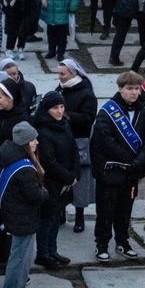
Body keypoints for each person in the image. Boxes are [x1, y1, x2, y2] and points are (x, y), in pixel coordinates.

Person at [91, 72, 145, 261]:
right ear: (120, 89)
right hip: (110, 171)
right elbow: (104, 140)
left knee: (125, 211)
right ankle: (102, 244)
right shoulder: (107, 112)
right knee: (105, 211)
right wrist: (128, 158)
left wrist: (138, 162)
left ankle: (123, 242)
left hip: (131, 172)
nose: (134, 92)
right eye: (129, 88)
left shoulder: (144, 112)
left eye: (137, 89)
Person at [0, 121, 48, 288]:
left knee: (18, 256)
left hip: (14, 215)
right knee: (20, 259)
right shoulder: (25, 169)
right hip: (23, 218)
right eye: (33, 140)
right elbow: (36, 195)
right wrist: (45, 192)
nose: (37, 142)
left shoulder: (10, 159)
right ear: (26, 142)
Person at [32, 91, 77, 269]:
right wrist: (68, 177)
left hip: (65, 182)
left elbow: (73, 149)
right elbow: (49, 161)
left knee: (56, 217)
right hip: (51, 182)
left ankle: (53, 250)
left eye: (61, 106)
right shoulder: (43, 131)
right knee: (47, 219)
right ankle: (43, 254)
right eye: (55, 108)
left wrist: (75, 174)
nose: (59, 111)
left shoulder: (64, 124)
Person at [58, 59, 98, 234]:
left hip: (79, 142)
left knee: (80, 181)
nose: (59, 76)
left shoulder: (86, 93)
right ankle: (61, 211)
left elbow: (88, 118)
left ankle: (79, 216)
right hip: (61, 140)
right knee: (60, 177)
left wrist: (67, 116)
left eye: (63, 73)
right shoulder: (60, 89)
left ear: (73, 73)